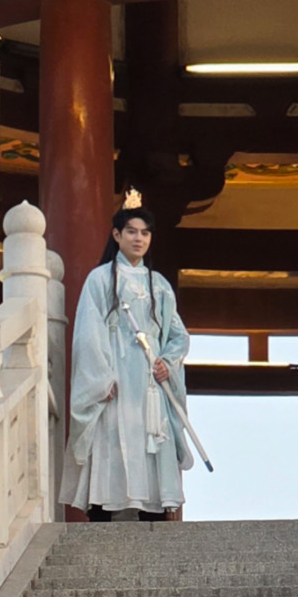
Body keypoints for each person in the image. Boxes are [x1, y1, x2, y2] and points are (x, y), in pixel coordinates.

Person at [62, 201, 195, 521]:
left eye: (145, 233)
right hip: (115, 380)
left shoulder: (158, 284)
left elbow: (179, 335)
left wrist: (167, 362)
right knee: (111, 442)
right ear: (116, 235)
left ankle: (153, 515)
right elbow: (88, 333)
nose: (139, 238)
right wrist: (99, 379)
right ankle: (101, 512)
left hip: (149, 383)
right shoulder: (100, 279)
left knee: (152, 441)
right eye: (132, 232)